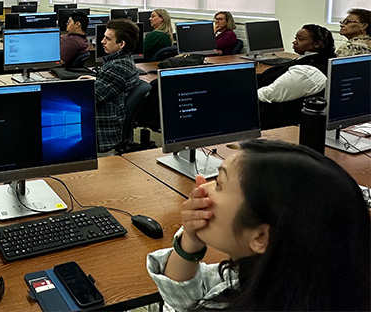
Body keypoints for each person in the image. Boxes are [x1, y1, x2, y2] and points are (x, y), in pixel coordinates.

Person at [147, 139, 370, 311]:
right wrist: (191, 240)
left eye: (220, 184)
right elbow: (185, 300)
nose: (202, 188)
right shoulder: (297, 277)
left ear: (261, 238)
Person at [257, 24, 335, 128]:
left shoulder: (307, 72)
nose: (295, 42)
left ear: (316, 44)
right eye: (295, 38)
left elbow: (270, 94)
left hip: (276, 121)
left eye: (300, 39)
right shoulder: (312, 60)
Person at [89, 18, 141, 153]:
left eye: (107, 38)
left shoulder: (117, 67)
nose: (102, 41)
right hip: (110, 116)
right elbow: (109, 87)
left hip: (103, 128)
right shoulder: (124, 61)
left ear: (121, 44)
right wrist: (95, 79)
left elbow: (92, 97)